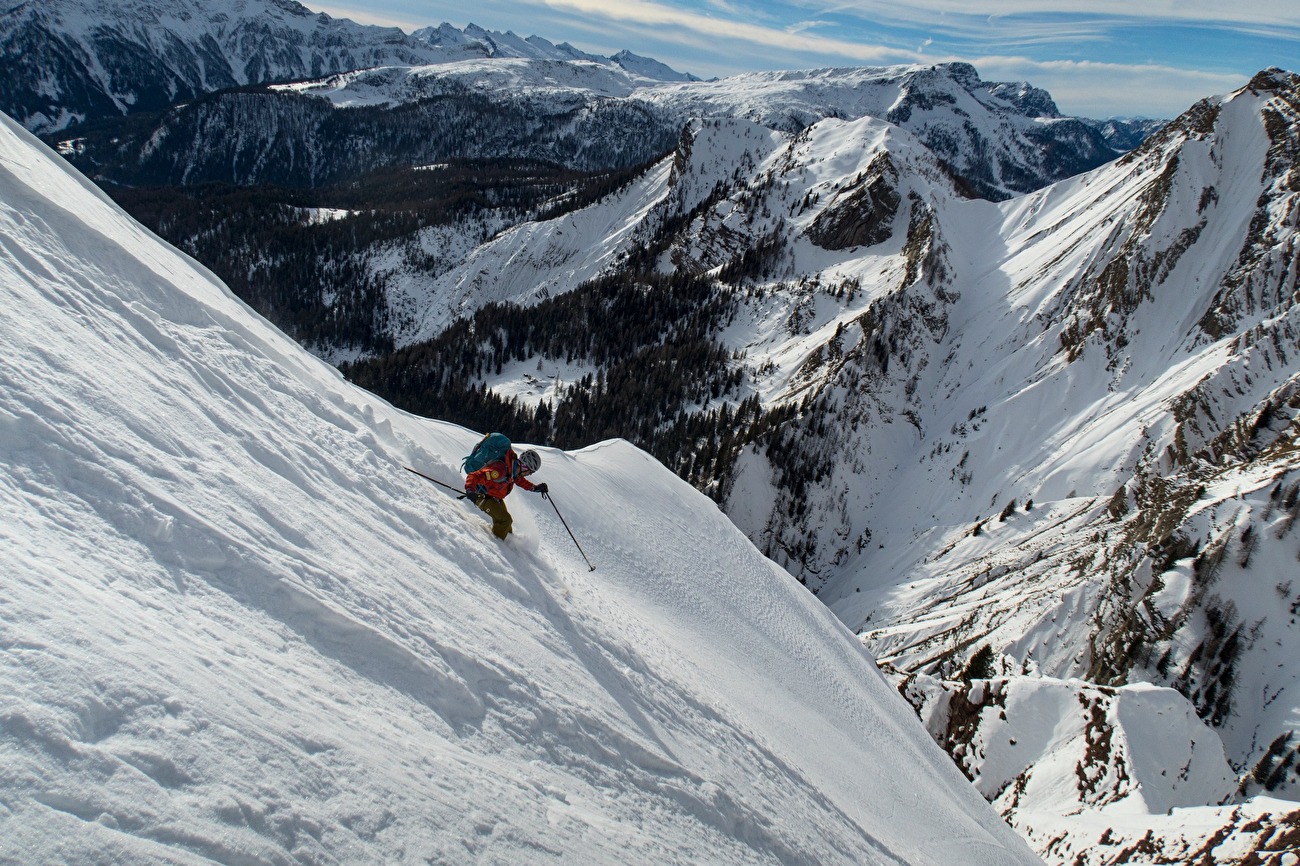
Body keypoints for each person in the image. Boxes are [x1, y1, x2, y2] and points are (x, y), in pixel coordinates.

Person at [464, 447, 548, 540]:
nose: (529, 474)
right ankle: (496, 545)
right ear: (524, 466)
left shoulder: (513, 470)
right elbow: (474, 475)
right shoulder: (500, 470)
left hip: (494, 497)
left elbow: (520, 481)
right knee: (505, 520)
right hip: (481, 496)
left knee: (507, 528)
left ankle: (506, 544)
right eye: (530, 472)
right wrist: (470, 489)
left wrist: (535, 488)